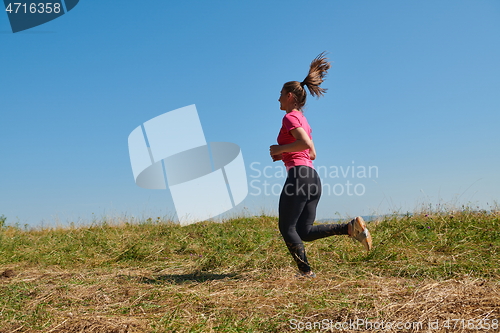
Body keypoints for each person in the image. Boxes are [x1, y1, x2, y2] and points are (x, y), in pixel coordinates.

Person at [269, 52, 372, 278]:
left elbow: (304, 144)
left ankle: (306, 273)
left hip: (298, 178)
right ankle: (348, 227)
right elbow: (312, 153)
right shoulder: (304, 121)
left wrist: (279, 149)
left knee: (287, 229)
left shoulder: (289, 118)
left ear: (289, 96)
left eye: (279, 95)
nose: (277, 99)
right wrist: (286, 153)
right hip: (313, 178)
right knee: (303, 231)